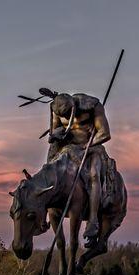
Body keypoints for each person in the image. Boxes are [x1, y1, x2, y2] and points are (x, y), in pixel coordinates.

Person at [46, 92, 111, 246]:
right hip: (68, 149)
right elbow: (55, 131)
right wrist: (56, 135)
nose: (68, 119)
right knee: (50, 172)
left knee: (94, 174)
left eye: (70, 114)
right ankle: (47, 210)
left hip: (91, 147)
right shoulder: (56, 110)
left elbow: (105, 133)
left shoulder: (92, 105)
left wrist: (85, 146)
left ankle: (93, 220)